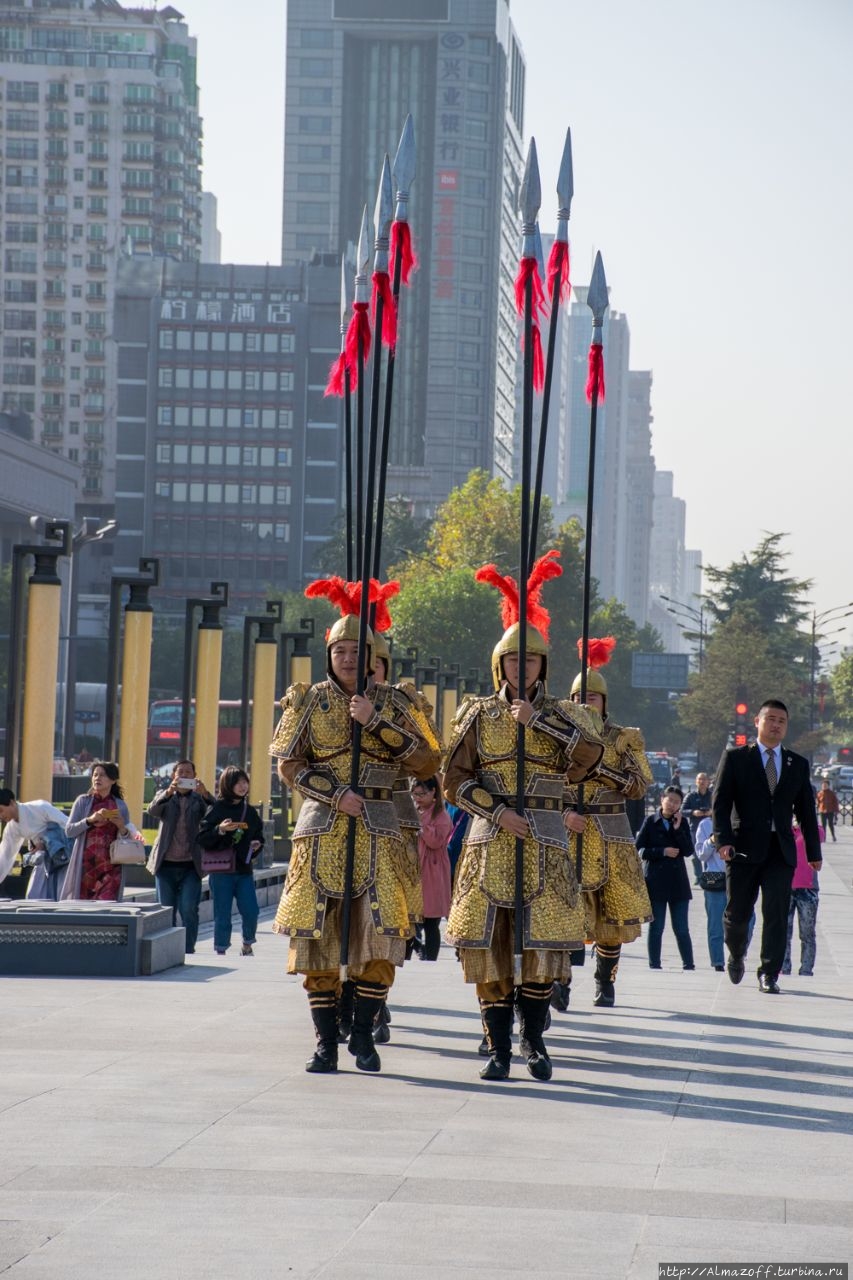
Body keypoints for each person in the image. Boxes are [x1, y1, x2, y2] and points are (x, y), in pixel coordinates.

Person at [270, 577, 441, 1075]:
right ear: (329, 654)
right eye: (340, 649)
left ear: (374, 656)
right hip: (322, 827)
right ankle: (325, 1043)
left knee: (384, 936)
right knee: (317, 938)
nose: (348, 658)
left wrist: (374, 723)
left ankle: (363, 1033)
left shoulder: (398, 702)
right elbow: (287, 763)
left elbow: (428, 760)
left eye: (358, 650)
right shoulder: (307, 700)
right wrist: (334, 793)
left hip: (384, 827)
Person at [444, 553, 603, 1082]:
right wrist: (496, 811)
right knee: (489, 945)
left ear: (542, 666)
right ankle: (496, 1046)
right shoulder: (476, 712)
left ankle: (534, 1039)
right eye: (512, 661)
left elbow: (587, 761)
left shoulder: (565, 714)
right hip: (492, 837)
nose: (521, 668)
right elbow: (455, 779)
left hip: (547, 838)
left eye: (529, 661)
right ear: (499, 665)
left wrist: (540, 723)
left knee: (542, 945)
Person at [562, 637, 653, 1008]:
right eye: (579, 697)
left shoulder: (622, 739)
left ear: (604, 702)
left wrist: (604, 770)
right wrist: (564, 813)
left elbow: (639, 784)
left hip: (611, 834)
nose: (586, 703)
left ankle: (605, 979)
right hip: (569, 833)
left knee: (611, 918)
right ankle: (560, 982)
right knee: (564, 913)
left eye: (593, 698)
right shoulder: (557, 735)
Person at [713, 698, 822, 994]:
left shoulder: (796, 764)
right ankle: (736, 953)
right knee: (737, 914)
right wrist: (723, 840)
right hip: (743, 848)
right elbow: (720, 802)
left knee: (775, 913)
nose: (775, 725)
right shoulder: (736, 758)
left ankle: (769, 972)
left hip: (780, 850)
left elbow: (807, 811)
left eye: (781, 721)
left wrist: (813, 852)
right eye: (770, 719)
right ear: (757, 722)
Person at [147, 760, 215, 955]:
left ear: (194, 776)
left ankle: (187, 949)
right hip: (165, 864)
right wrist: (168, 793)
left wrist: (206, 794)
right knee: (166, 911)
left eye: (188, 772)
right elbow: (152, 810)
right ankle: (167, 951)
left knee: (188, 909)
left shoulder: (199, 800)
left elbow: (216, 813)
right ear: (173, 775)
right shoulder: (165, 796)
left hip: (191, 865)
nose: (184, 775)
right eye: (180, 772)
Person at [196, 766, 264, 956]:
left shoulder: (249, 811)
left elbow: (259, 836)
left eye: (245, 782)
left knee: (251, 911)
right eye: (238, 782)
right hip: (221, 870)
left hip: (243, 869)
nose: (243, 786)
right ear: (228, 785)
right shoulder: (216, 809)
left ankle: (247, 943)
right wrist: (220, 829)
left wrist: (258, 844)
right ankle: (221, 949)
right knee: (222, 914)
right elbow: (202, 838)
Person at [636, 786, 695, 970]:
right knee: (657, 927)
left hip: (678, 883)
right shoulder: (650, 821)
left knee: (682, 928)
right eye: (669, 799)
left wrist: (677, 829)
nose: (672, 804)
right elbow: (640, 850)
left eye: (676, 801)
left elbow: (688, 851)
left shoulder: (682, 823)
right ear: (662, 799)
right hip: (656, 882)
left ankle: (689, 964)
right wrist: (662, 852)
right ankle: (654, 964)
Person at [60, 762, 137, 901]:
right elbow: (69, 831)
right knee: (85, 910)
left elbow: (126, 837)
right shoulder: (82, 802)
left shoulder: (120, 805)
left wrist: (121, 827)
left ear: (113, 780)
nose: (97, 778)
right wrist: (89, 820)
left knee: (106, 906)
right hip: (86, 866)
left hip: (112, 866)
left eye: (102, 775)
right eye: (95, 775)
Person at [0, 788, 70, 900]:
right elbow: (5, 856)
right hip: (43, 861)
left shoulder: (40, 807)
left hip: (63, 856)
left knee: (62, 895)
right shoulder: (12, 828)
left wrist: (46, 841)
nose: (1, 816)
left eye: (1, 810)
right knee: (34, 895)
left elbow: (68, 826)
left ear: (12, 802)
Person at [411, 776, 452, 961]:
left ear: (433, 792)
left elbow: (436, 841)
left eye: (422, 794)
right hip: (414, 870)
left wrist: (421, 824)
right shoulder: (414, 810)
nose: (418, 798)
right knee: (410, 919)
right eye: (415, 794)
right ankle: (417, 948)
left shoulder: (441, 815)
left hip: (433, 872)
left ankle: (431, 958)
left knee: (431, 921)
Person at [782, 821, 824, 977]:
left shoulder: (812, 829)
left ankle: (806, 969)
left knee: (807, 932)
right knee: (784, 931)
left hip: (808, 888)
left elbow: (820, 835)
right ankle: (783, 967)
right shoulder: (785, 830)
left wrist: (803, 824)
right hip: (786, 887)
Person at [694, 816, 727, 970]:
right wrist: (712, 841)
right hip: (715, 879)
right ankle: (718, 962)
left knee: (749, 921)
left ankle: (738, 954)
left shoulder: (741, 820)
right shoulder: (705, 824)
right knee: (715, 925)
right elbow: (701, 854)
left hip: (738, 879)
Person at [683, 771, 714, 882]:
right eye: (699, 779)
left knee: (709, 852)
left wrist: (711, 812)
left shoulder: (713, 795)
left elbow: (721, 808)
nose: (701, 781)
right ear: (696, 782)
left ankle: (707, 874)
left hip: (710, 828)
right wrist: (693, 812)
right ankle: (699, 876)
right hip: (695, 828)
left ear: (708, 782)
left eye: (704, 779)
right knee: (696, 854)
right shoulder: (691, 796)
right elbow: (682, 810)